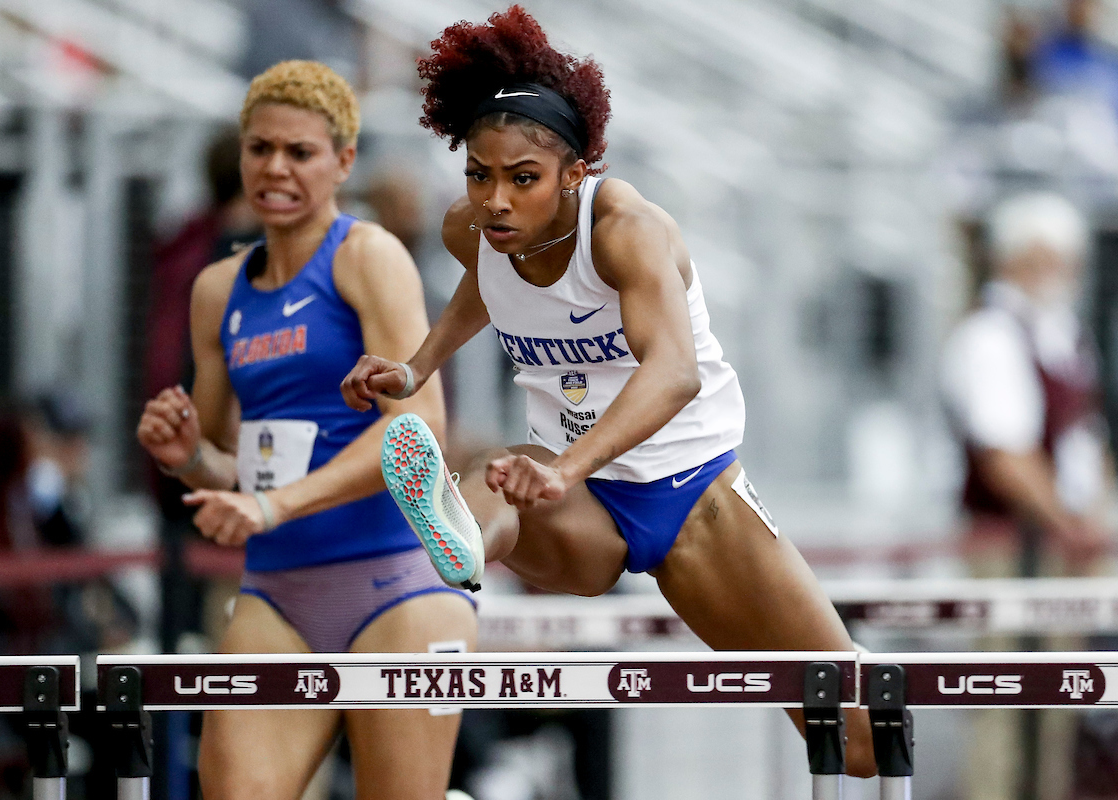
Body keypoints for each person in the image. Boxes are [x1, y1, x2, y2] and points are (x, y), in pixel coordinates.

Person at [340, 5, 875, 777]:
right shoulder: (476, 231)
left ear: (575, 174)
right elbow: (484, 287)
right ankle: (456, 550)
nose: (496, 200)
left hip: (694, 496)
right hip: (579, 505)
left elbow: (674, 371)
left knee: (854, 734)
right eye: (479, 175)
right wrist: (417, 366)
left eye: (523, 180)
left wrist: (569, 466)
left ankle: (478, 529)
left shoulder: (623, 228)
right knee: (501, 472)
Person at [135, 60, 477, 800]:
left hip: (398, 586)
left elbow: (421, 432)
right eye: (260, 149)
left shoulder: (368, 257)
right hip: (278, 591)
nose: (276, 169)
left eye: (300, 152)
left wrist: (273, 506)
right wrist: (187, 453)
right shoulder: (216, 290)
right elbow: (233, 470)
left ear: (343, 162)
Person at [941, 191, 1112, 800]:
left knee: (1058, 699)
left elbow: (1079, 443)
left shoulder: (1060, 333)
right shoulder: (991, 335)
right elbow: (1004, 455)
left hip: (1058, 540)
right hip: (1011, 543)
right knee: (1002, 697)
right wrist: (1069, 522)